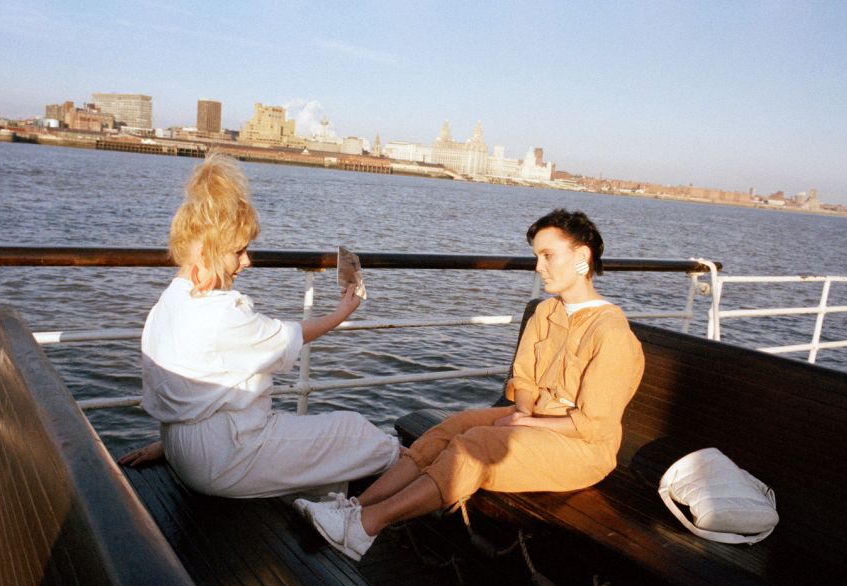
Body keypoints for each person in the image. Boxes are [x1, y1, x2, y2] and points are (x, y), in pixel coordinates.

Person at [297, 209, 645, 560]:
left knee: (475, 444)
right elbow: (523, 376)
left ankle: (365, 526)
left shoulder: (611, 334)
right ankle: (353, 508)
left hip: (581, 448)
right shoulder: (546, 313)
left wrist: (528, 424)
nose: (539, 266)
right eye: (536, 256)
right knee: (451, 426)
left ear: (582, 257)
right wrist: (523, 413)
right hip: (534, 422)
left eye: (548, 255)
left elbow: (593, 425)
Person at [118, 153, 400, 498]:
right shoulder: (221, 313)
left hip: (182, 448)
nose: (247, 261)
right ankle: (409, 481)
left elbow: (193, 393)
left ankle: (343, 495)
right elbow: (285, 338)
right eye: (238, 251)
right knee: (356, 431)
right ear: (207, 252)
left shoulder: (167, 304)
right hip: (223, 459)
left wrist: (170, 446)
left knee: (322, 442)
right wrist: (341, 313)